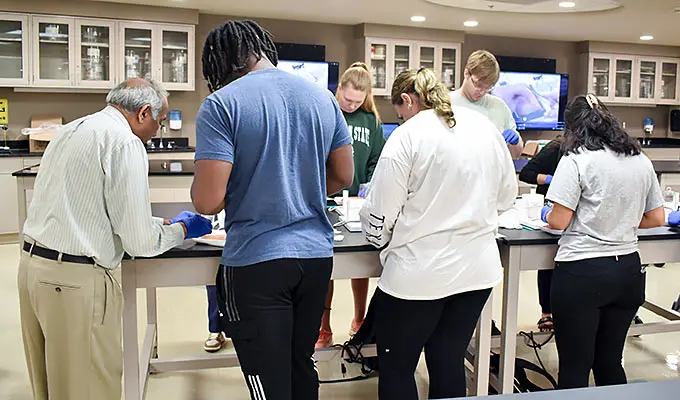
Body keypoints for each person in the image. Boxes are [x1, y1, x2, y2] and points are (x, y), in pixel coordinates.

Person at [17, 78, 212, 400]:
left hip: (34, 270)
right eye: (159, 122)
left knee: (53, 387)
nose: (156, 132)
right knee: (90, 388)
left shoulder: (72, 130)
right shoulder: (124, 142)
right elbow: (139, 244)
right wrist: (181, 231)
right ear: (143, 113)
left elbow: (84, 205)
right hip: (76, 283)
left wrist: (152, 222)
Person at [192, 20, 354, 400]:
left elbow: (207, 200)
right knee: (301, 363)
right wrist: (299, 187)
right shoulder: (321, 97)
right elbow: (344, 175)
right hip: (315, 259)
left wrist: (254, 190)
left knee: (268, 378)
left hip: (256, 262)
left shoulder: (221, 105)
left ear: (221, 61)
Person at [360, 68, 517, 399]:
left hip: (418, 277)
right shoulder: (484, 127)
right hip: (476, 273)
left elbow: (379, 216)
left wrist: (380, 238)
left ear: (407, 100)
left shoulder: (406, 136)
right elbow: (506, 198)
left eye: (399, 111)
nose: (400, 118)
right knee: (448, 358)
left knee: (398, 366)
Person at [541, 94, 665, 389]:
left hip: (583, 274)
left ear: (572, 127)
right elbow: (657, 218)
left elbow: (558, 220)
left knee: (575, 367)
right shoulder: (639, 159)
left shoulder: (576, 160)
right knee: (610, 362)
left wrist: (547, 212)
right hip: (627, 274)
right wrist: (618, 222)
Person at [317, 62, 386, 349]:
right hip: (326, 198)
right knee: (326, 265)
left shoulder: (371, 120)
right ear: (339, 89)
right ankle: (323, 327)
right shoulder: (325, 112)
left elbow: (376, 159)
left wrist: (370, 184)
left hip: (358, 201)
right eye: (347, 99)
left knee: (360, 262)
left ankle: (359, 319)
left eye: (358, 101)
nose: (352, 105)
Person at [518, 138, 563, 332]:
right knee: (549, 261)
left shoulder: (595, 149)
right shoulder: (557, 147)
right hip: (552, 209)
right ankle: (547, 313)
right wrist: (549, 179)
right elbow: (526, 174)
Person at [451, 50, 524, 158]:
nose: (481, 91)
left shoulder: (499, 107)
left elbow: (516, 154)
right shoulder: (447, 103)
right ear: (466, 73)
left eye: (487, 87)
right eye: (478, 84)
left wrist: (515, 142)